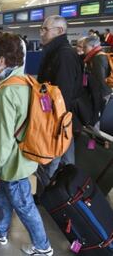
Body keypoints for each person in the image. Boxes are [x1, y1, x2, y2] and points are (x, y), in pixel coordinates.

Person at [0, 33, 53, 256]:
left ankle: (43, 247)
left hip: (14, 161)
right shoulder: (25, 81)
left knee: (24, 206)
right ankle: (0, 230)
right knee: (3, 196)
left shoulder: (6, 92)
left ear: (2, 60)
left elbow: (0, 137)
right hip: (21, 156)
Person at [36, 15, 82, 194]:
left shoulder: (64, 56)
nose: (41, 33)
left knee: (52, 161)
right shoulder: (55, 52)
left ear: (60, 31)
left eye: (44, 29)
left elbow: (61, 95)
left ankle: (52, 197)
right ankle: (62, 196)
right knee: (64, 160)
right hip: (59, 120)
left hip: (59, 120)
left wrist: (46, 113)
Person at [82, 35, 112, 104]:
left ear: (93, 46)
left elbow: (100, 80)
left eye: (85, 47)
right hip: (98, 92)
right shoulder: (91, 57)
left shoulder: (98, 58)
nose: (83, 49)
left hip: (102, 94)